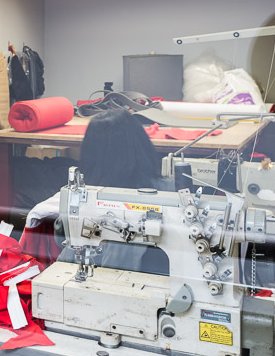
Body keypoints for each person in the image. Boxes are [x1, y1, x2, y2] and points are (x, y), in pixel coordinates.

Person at [24, 108, 171, 274]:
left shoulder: (94, 200)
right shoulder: (168, 190)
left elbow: (62, 239)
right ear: (141, 144)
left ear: (91, 155)